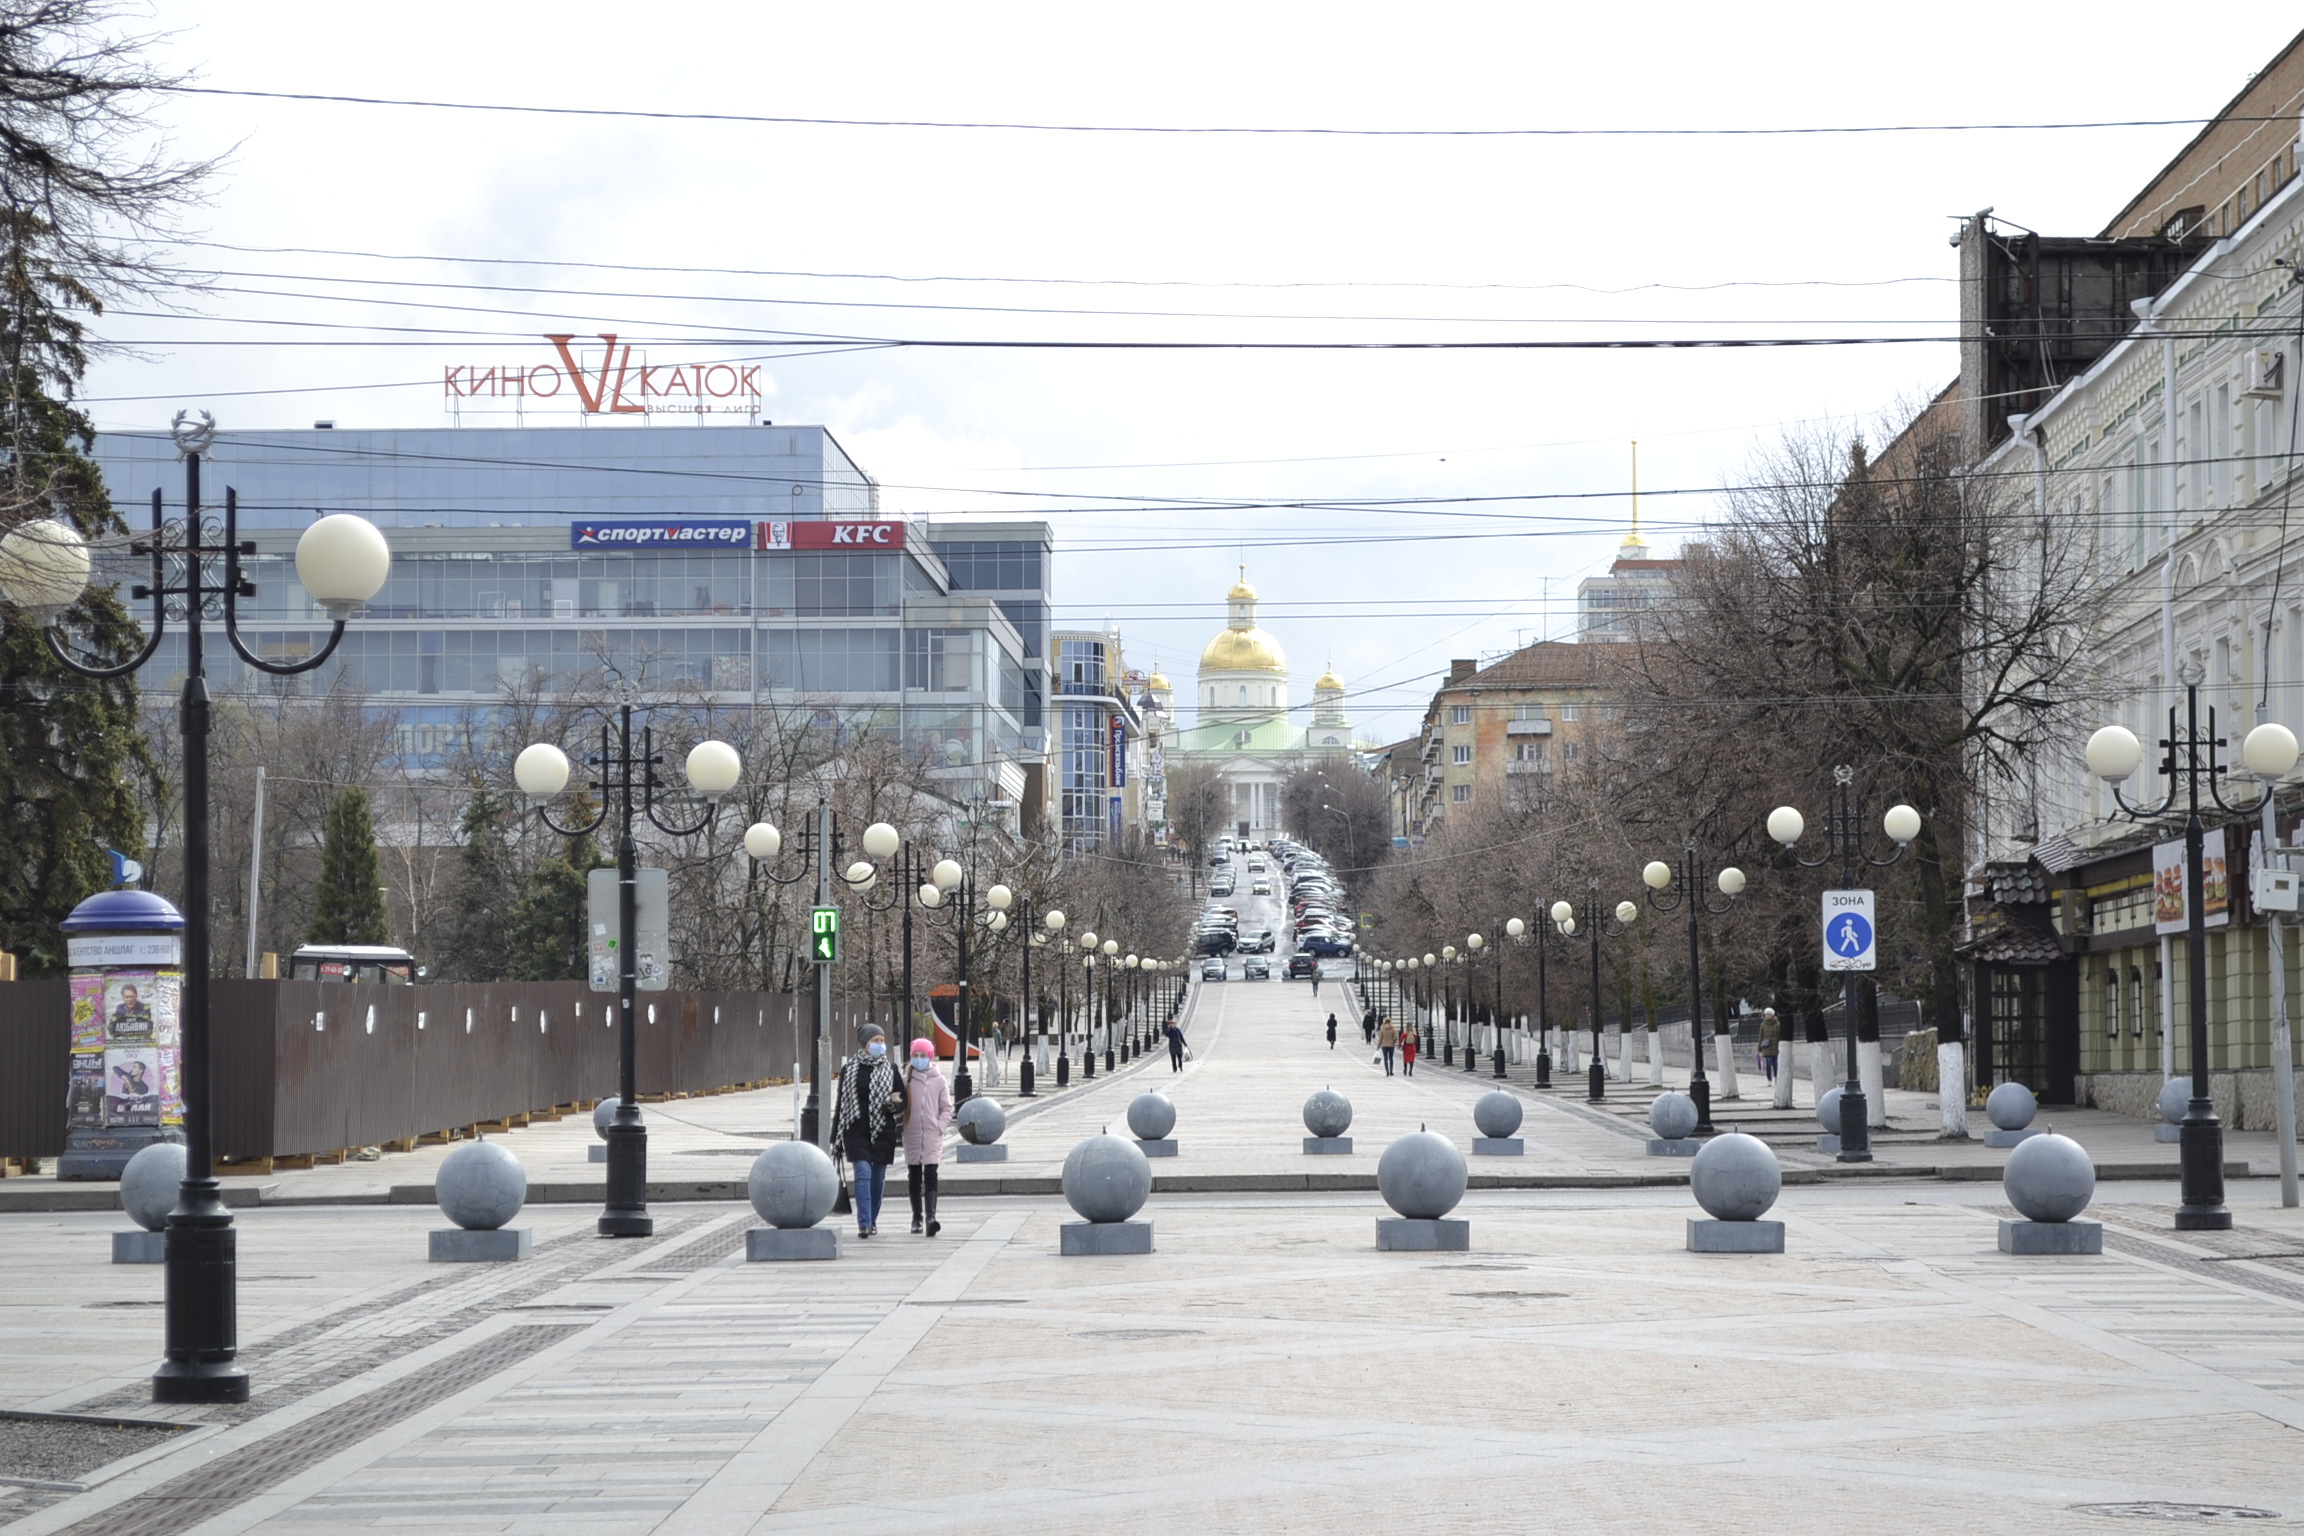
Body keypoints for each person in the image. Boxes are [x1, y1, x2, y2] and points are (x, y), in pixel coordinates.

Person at [829, 1024, 907, 1239]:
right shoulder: (850, 1069)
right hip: (856, 1129)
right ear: (865, 1044)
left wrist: (894, 1105)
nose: (880, 1045)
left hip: (883, 1130)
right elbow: (842, 1103)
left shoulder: (891, 1069)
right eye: (875, 1041)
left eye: (882, 1041)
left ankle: (872, 1220)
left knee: (877, 1179)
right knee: (863, 1173)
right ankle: (863, 1223)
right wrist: (835, 1136)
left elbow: (901, 1098)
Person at [901, 1038, 952, 1236]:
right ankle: (917, 1218)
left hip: (932, 1135)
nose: (919, 1059)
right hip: (912, 1134)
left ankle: (931, 1217)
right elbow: (900, 1106)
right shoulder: (907, 1080)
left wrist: (939, 1126)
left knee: (931, 1174)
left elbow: (946, 1108)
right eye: (915, 1055)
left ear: (930, 1057)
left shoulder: (939, 1080)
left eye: (922, 1055)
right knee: (914, 1176)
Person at [1757, 1007, 1783, 1083]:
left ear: (1772, 1015)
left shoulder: (1777, 1024)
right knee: (1768, 1063)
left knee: (1775, 1064)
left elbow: (1780, 1036)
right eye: (1766, 1014)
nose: (1767, 1016)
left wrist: (1780, 1046)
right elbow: (1761, 1037)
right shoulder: (1763, 1025)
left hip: (1775, 1047)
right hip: (1766, 1047)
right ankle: (1769, 1079)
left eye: (1769, 1014)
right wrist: (1759, 1049)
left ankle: (1776, 1077)